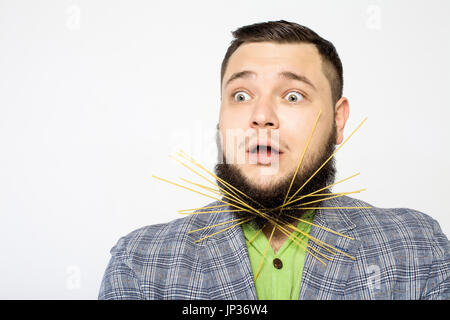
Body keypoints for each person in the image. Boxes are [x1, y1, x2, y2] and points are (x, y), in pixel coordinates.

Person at [98, 20, 449, 300]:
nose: (261, 115)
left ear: (338, 121)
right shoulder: (141, 264)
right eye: (241, 95)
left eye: (293, 95)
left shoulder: (418, 247)